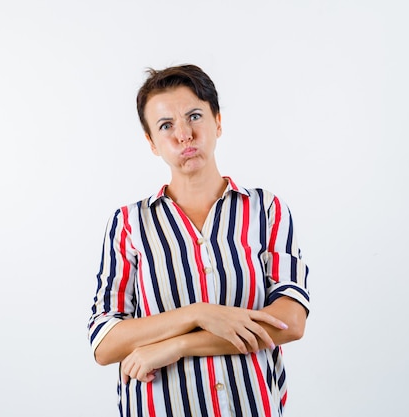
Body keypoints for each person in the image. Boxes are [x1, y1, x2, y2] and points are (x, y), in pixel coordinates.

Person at [87, 64, 310, 417]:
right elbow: (105, 341)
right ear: (152, 143)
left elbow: (289, 322)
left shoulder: (265, 210)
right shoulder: (129, 224)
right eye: (166, 126)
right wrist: (200, 313)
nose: (184, 135)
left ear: (218, 122)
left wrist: (179, 344)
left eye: (194, 116)